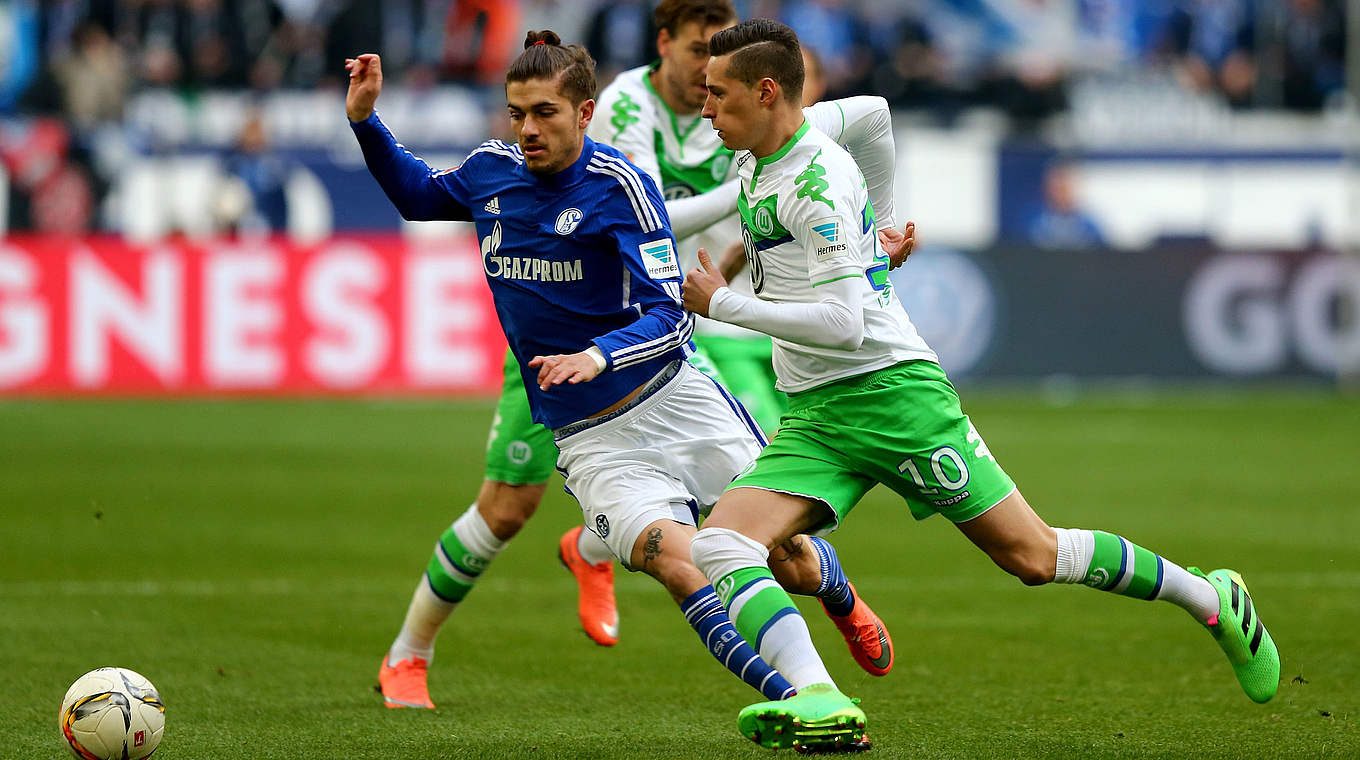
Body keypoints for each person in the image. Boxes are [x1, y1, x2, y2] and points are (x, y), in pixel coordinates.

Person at [683, 19, 1280, 752]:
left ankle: (1211, 598)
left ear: (766, 91)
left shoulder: (816, 181)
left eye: (717, 93)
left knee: (1033, 557)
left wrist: (724, 305)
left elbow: (842, 324)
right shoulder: (765, 147)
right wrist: (879, 231)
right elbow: (874, 115)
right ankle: (819, 697)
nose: (704, 107)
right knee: (721, 546)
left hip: (893, 397)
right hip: (817, 412)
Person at [347, 33, 873, 714]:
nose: (528, 129)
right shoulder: (489, 173)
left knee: (788, 559)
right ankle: (804, 699)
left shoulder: (620, 185)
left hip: (674, 402)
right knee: (683, 563)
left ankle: (837, 591)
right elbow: (418, 196)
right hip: (590, 436)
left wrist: (597, 355)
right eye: (517, 114)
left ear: (585, 112)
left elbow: (673, 317)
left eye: (545, 113)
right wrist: (366, 120)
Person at [586, 0, 909, 684]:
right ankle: (804, 692)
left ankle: (836, 594)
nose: (709, 80)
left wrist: (876, 231)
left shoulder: (777, 142)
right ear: (663, 44)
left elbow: (872, 118)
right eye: (701, 54)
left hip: (724, 327)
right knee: (521, 504)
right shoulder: (623, 113)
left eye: (719, 64)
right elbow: (649, 217)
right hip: (638, 341)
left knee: (768, 528)